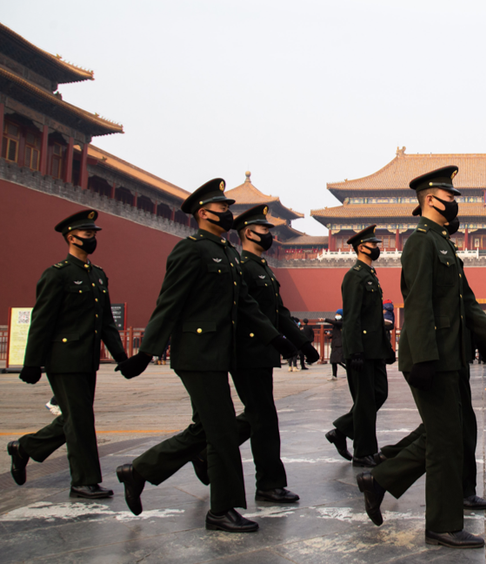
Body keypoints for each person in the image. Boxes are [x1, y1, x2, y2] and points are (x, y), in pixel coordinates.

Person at [114, 179, 299, 533]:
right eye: (222, 208)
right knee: (223, 432)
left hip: (219, 354)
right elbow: (169, 303)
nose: (228, 213)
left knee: (207, 429)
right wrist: (147, 352)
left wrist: (276, 338)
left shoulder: (227, 253)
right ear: (203, 213)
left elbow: (245, 305)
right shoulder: (190, 250)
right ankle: (221, 510)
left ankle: (139, 471)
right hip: (197, 354)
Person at [356, 166, 486, 549]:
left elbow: (466, 302)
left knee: (449, 432)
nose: (454, 203)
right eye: (449, 196)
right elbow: (418, 304)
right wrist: (424, 357)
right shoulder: (420, 243)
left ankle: (380, 479)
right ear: (430, 199)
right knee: (444, 440)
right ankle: (441, 524)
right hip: (432, 359)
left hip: (450, 357)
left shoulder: (444, 245)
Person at [8, 210, 128, 499]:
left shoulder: (98, 275)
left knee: (75, 417)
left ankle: (24, 448)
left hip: (87, 359)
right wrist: (32, 363)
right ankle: (83, 482)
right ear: (71, 238)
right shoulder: (57, 274)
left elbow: (106, 323)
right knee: (80, 420)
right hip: (63, 358)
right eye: (87, 235)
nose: (92, 239)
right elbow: (42, 321)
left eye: (94, 234)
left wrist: (122, 358)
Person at [225, 204, 319, 504]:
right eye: (264, 230)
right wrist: (276, 339)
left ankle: (206, 448)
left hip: (261, 353)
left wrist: (303, 344)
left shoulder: (262, 267)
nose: (270, 235)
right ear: (248, 233)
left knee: (258, 416)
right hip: (247, 352)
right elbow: (248, 312)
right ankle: (268, 483)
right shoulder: (241, 267)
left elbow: (279, 312)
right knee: (263, 418)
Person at [326, 225, 395, 468]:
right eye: (373, 244)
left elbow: (373, 318)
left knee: (380, 394)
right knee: (365, 401)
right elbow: (352, 316)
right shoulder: (354, 276)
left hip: (374, 349)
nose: (377, 247)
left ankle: (341, 430)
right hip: (361, 351)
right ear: (361, 247)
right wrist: (354, 350)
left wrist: (386, 349)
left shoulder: (370, 275)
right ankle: (363, 453)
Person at [325, 309, 345, 380]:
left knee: (340, 360)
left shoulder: (342, 323)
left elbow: (336, 323)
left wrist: (326, 320)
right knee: (333, 361)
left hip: (340, 345)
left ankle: (349, 371)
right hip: (334, 345)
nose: (337, 316)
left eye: (338, 315)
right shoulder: (335, 325)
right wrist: (329, 335)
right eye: (336, 314)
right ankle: (334, 375)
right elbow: (334, 334)